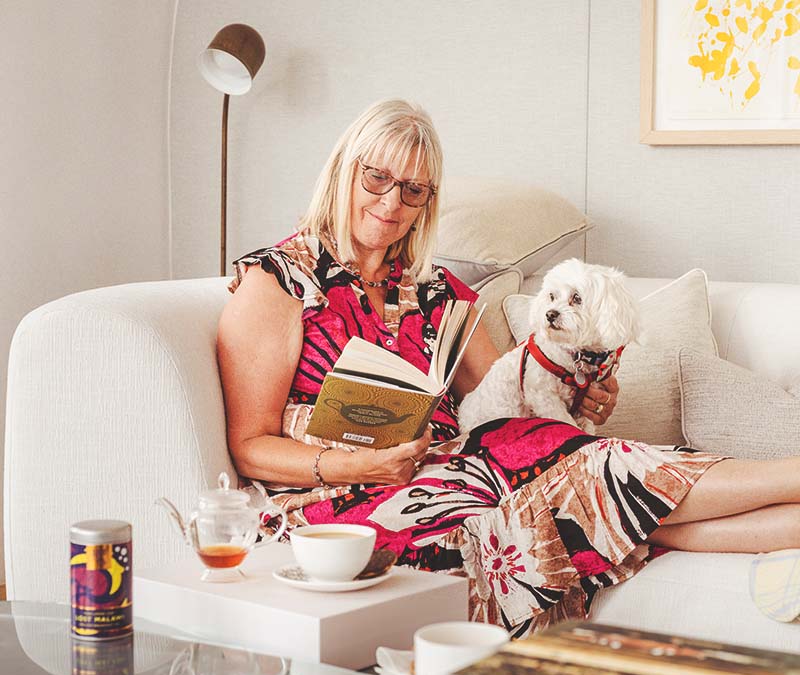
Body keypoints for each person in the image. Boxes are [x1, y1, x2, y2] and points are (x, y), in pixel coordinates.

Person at [217, 99, 800, 637]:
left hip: (455, 468)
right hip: (337, 503)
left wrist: (579, 394)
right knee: (572, 485)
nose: (392, 203)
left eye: (414, 190)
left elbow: (512, 394)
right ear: (344, 169)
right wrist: (359, 463)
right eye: (377, 178)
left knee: (560, 462)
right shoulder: (278, 282)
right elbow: (249, 447)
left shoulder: (438, 292)